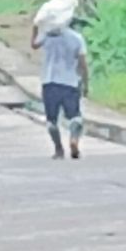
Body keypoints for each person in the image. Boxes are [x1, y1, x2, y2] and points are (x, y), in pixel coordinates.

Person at [30, 16, 90, 160]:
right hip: (70, 83)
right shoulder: (77, 38)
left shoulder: (47, 36)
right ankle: (74, 139)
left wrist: (35, 27)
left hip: (49, 82)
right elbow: (83, 64)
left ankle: (58, 149)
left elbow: (34, 44)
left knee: (52, 121)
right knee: (75, 117)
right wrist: (86, 83)